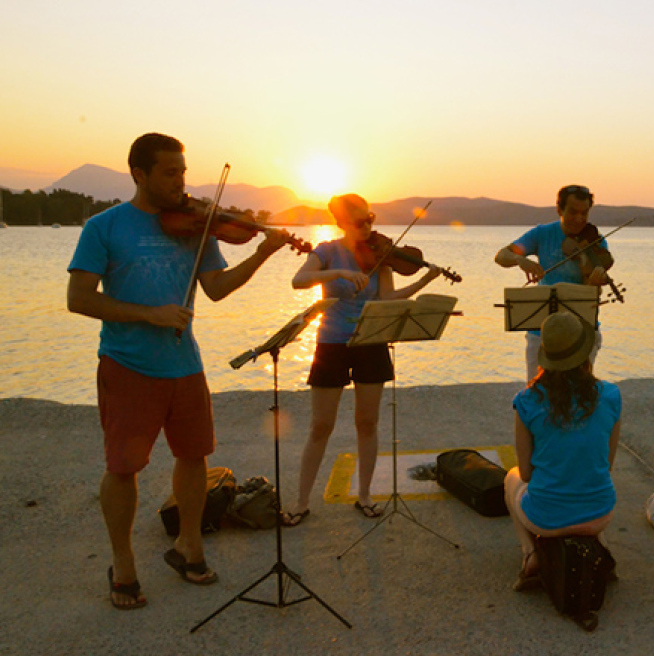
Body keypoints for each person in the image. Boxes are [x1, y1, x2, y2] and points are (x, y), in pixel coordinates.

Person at [66, 132, 293, 610]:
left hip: (184, 364)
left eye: (183, 172)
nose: (181, 182)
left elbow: (217, 287)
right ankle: (123, 562)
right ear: (139, 174)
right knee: (122, 468)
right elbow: (79, 298)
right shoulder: (104, 227)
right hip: (127, 365)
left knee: (194, 457)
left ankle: (190, 544)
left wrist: (262, 253)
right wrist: (149, 314)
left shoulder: (197, 227)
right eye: (169, 173)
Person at [281, 193, 442, 527]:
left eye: (370, 219)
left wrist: (424, 280)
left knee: (367, 423)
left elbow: (387, 298)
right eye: (359, 222)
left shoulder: (380, 255)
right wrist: (335, 271)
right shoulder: (326, 251)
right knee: (320, 426)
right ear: (340, 222)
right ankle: (300, 501)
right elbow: (299, 281)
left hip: (372, 340)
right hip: (331, 341)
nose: (367, 226)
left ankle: (365, 495)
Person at [503, 312, 621, 590]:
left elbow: (528, 473)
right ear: (585, 353)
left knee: (511, 478)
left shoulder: (527, 401)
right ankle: (599, 544)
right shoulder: (611, 395)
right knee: (588, 475)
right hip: (601, 512)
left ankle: (530, 554)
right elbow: (607, 464)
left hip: (546, 519)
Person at [494, 184, 612, 381]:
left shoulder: (595, 242)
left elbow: (593, 295)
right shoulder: (542, 233)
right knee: (536, 391)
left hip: (582, 331)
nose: (580, 219)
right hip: (542, 330)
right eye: (573, 212)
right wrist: (519, 260)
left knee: (580, 395)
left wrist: (593, 281)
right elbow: (501, 255)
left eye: (585, 213)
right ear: (559, 209)